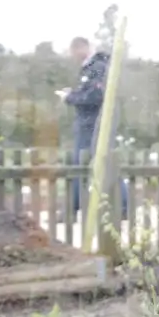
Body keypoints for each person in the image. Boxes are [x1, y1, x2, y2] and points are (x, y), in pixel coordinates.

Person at [58, 36, 124, 216]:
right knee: (91, 164)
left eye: (73, 51)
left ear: (81, 48)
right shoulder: (92, 68)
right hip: (90, 123)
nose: (72, 56)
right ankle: (78, 206)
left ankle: (76, 208)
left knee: (87, 164)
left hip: (92, 124)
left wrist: (70, 98)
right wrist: (73, 93)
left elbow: (95, 96)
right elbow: (89, 93)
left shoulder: (97, 68)